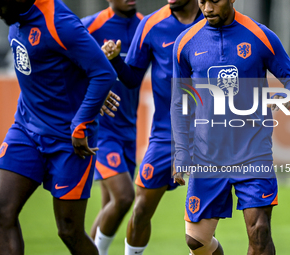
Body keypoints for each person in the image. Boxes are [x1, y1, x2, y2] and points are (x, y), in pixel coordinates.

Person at [171, 0, 290, 255]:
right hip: (207, 156)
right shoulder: (185, 43)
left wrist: (287, 97)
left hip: (253, 152)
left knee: (259, 232)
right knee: (196, 241)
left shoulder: (261, 36)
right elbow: (180, 104)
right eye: (202, 2)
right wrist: (181, 153)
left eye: (214, 1)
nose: (207, 8)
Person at [0, 0, 119, 254]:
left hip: (68, 139)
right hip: (26, 128)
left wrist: (81, 123)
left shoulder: (59, 22)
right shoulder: (13, 15)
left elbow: (102, 73)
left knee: (68, 230)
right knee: (1, 209)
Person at [101, 0, 203, 254]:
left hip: (209, 136)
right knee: (141, 210)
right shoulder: (151, 25)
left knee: (200, 230)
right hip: (165, 136)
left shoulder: (214, 21)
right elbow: (133, 78)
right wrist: (115, 61)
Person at [81, 1, 143, 254]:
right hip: (101, 130)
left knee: (112, 206)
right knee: (125, 197)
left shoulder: (145, 26)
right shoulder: (88, 27)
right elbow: (68, 68)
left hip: (129, 128)